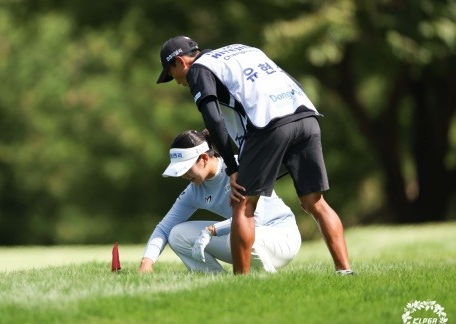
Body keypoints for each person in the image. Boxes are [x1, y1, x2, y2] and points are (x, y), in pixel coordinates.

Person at [156, 36, 353, 275]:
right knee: (315, 202)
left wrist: (231, 166)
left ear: (180, 61)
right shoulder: (242, 49)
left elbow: (213, 119)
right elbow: (290, 81)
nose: (177, 81)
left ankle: (242, 280)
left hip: (268, 125)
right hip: (305, 114)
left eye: (171, 73)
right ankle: (345, 271)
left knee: (242, 204)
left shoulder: (198, 69)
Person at [139, 130, 301, 273]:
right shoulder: (194, 190)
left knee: (239, 234)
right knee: (177, 234)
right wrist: (147, 262)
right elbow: (164, 228)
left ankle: (265, 278)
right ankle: (217, 281)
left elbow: (255, 219)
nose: (183, 176)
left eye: (186, 169)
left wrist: (213, 230)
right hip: (246, 240)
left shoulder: (239, 166)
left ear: (203, 158)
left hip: (282, 237)